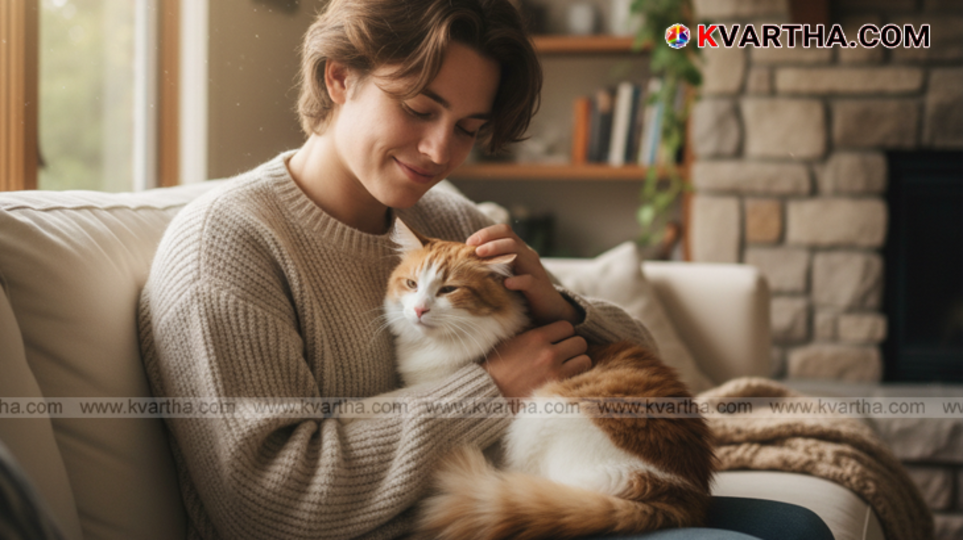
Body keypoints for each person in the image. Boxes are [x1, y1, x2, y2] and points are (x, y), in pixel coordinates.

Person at [138, 1, 832, 539]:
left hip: (501, 503)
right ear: (339, 78)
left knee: (800, 528)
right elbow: (266, 504)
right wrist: (490, 389)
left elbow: (638, 398)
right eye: (418, 108)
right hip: (429, 523)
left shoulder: (441, 216)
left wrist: (563, 307)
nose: (441, 149)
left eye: (468, 128)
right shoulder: (227, 245)